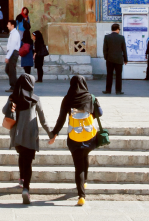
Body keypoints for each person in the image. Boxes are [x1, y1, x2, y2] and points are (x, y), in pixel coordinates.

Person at [49, 75, 103, 206]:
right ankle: (84, 182)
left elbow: (61, 118)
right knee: (85, 157)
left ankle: (81, 196)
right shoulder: (91, 97)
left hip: (74, 137)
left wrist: (54, 133)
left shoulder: (68, 99)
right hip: (89, 136)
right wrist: (89, 116)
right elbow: (100, 113)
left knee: (79, 166)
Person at [2, 73, 52, 205]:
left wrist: (11, 102)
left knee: (21, 154)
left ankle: (21, 179)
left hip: (16, 134)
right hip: (30, 134)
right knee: (28, 161)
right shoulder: (35, 99)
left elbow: (4, 110)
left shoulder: (13, 97)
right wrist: (50, 133)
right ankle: (26, 189)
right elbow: (42, 119)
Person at [103, 23, 127, 95]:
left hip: (109, 59)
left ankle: (108, 90)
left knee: (109, 75)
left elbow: (105, 49)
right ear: (117, 29)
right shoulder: (121, 38)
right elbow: (124, 49)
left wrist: (106, 57)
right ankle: (118, 90)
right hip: (119, 59)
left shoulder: (107, 37)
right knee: (118, 75)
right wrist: (125, 59)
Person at [5, 19, 20, 92]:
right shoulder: (12, 33)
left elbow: (13, 46)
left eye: (8, 24)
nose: (7, 26)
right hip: (12, 53)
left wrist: (8, 56)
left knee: (11, 70)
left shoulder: (15, 34)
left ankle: (14, 86)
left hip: (13, 53)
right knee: (8, 70)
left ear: (12, 25)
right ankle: (16, 84)